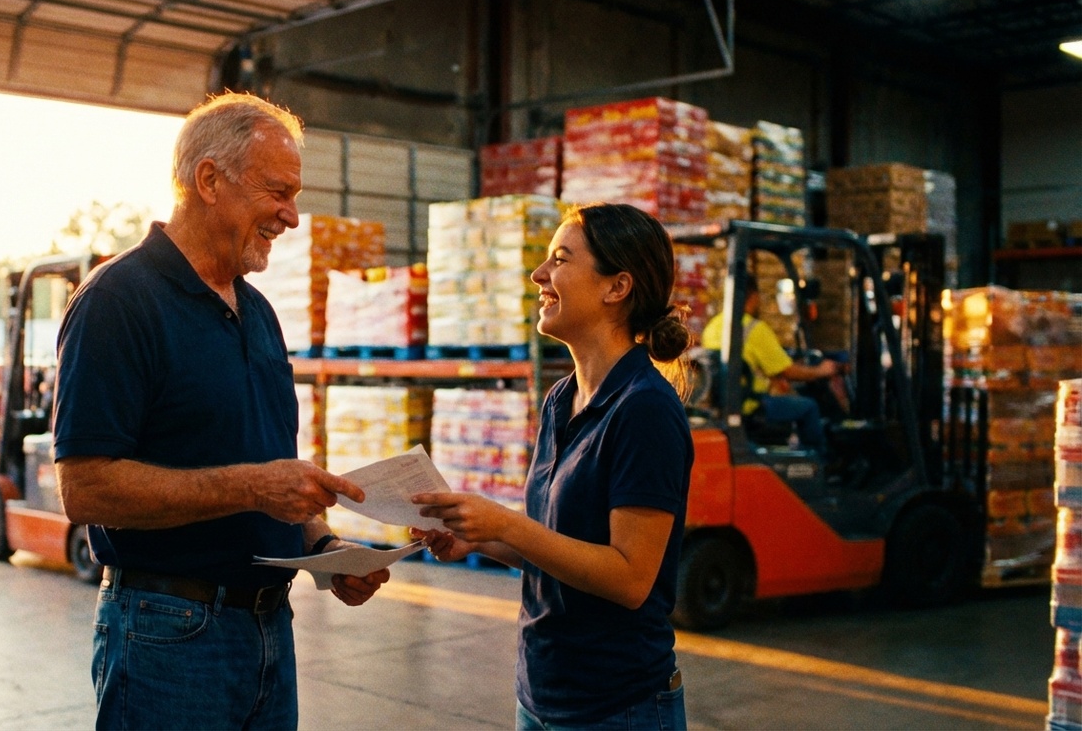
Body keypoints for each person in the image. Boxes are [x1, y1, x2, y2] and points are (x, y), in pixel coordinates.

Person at [52, 92, 390, 731]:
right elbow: (86, 488)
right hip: (167, 633)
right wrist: (254, 488)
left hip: (267, 628)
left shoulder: (257, 312)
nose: (291, 216)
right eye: (278, 192)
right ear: (209, 179)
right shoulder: (118, 301)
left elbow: (272, 464)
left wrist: (325, 544)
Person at [412, 203, 693, 730]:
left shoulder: (645, 410)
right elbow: (559, 550)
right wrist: (480, 541)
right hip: (541, 695)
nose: (539, 275)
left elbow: (630, 578)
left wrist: (505, 523)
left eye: (560, 260)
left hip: (616, 706)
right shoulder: (561, 400)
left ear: (617, 287)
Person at [700, 274, 840, 451]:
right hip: (752, 406)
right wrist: (822, 370)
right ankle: (821, 462)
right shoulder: (754, 329)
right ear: (754, 296)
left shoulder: (712, 326)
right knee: (809, 407)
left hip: (724, 406)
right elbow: (788, 371)